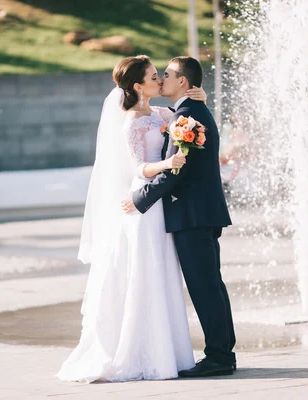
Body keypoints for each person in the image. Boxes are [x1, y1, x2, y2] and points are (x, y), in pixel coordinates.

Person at [56, 55, 207, 383]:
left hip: (160, 201)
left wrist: (200, 98)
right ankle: (140, 352)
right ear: (138, 86)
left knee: (162, 270)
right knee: (145, 269)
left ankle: (169, 350)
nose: (159, 80)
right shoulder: (130, 122)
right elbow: (139, 167)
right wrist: (168, 165)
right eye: (154, 77)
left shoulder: (160, 113)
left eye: (160, 75)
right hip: (144, 201)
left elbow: (185, 119)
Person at [122, 56, 236, 378]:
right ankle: (223, 352)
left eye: (167, 75)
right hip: (201, 211)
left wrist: (139, 198)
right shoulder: (187, 111)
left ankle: (218, 357)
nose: (162, 81)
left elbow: (176, 170)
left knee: (205, 287)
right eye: (157, 76)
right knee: (212, 284)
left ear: (183, 82)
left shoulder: (187, 115)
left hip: (191, 214)